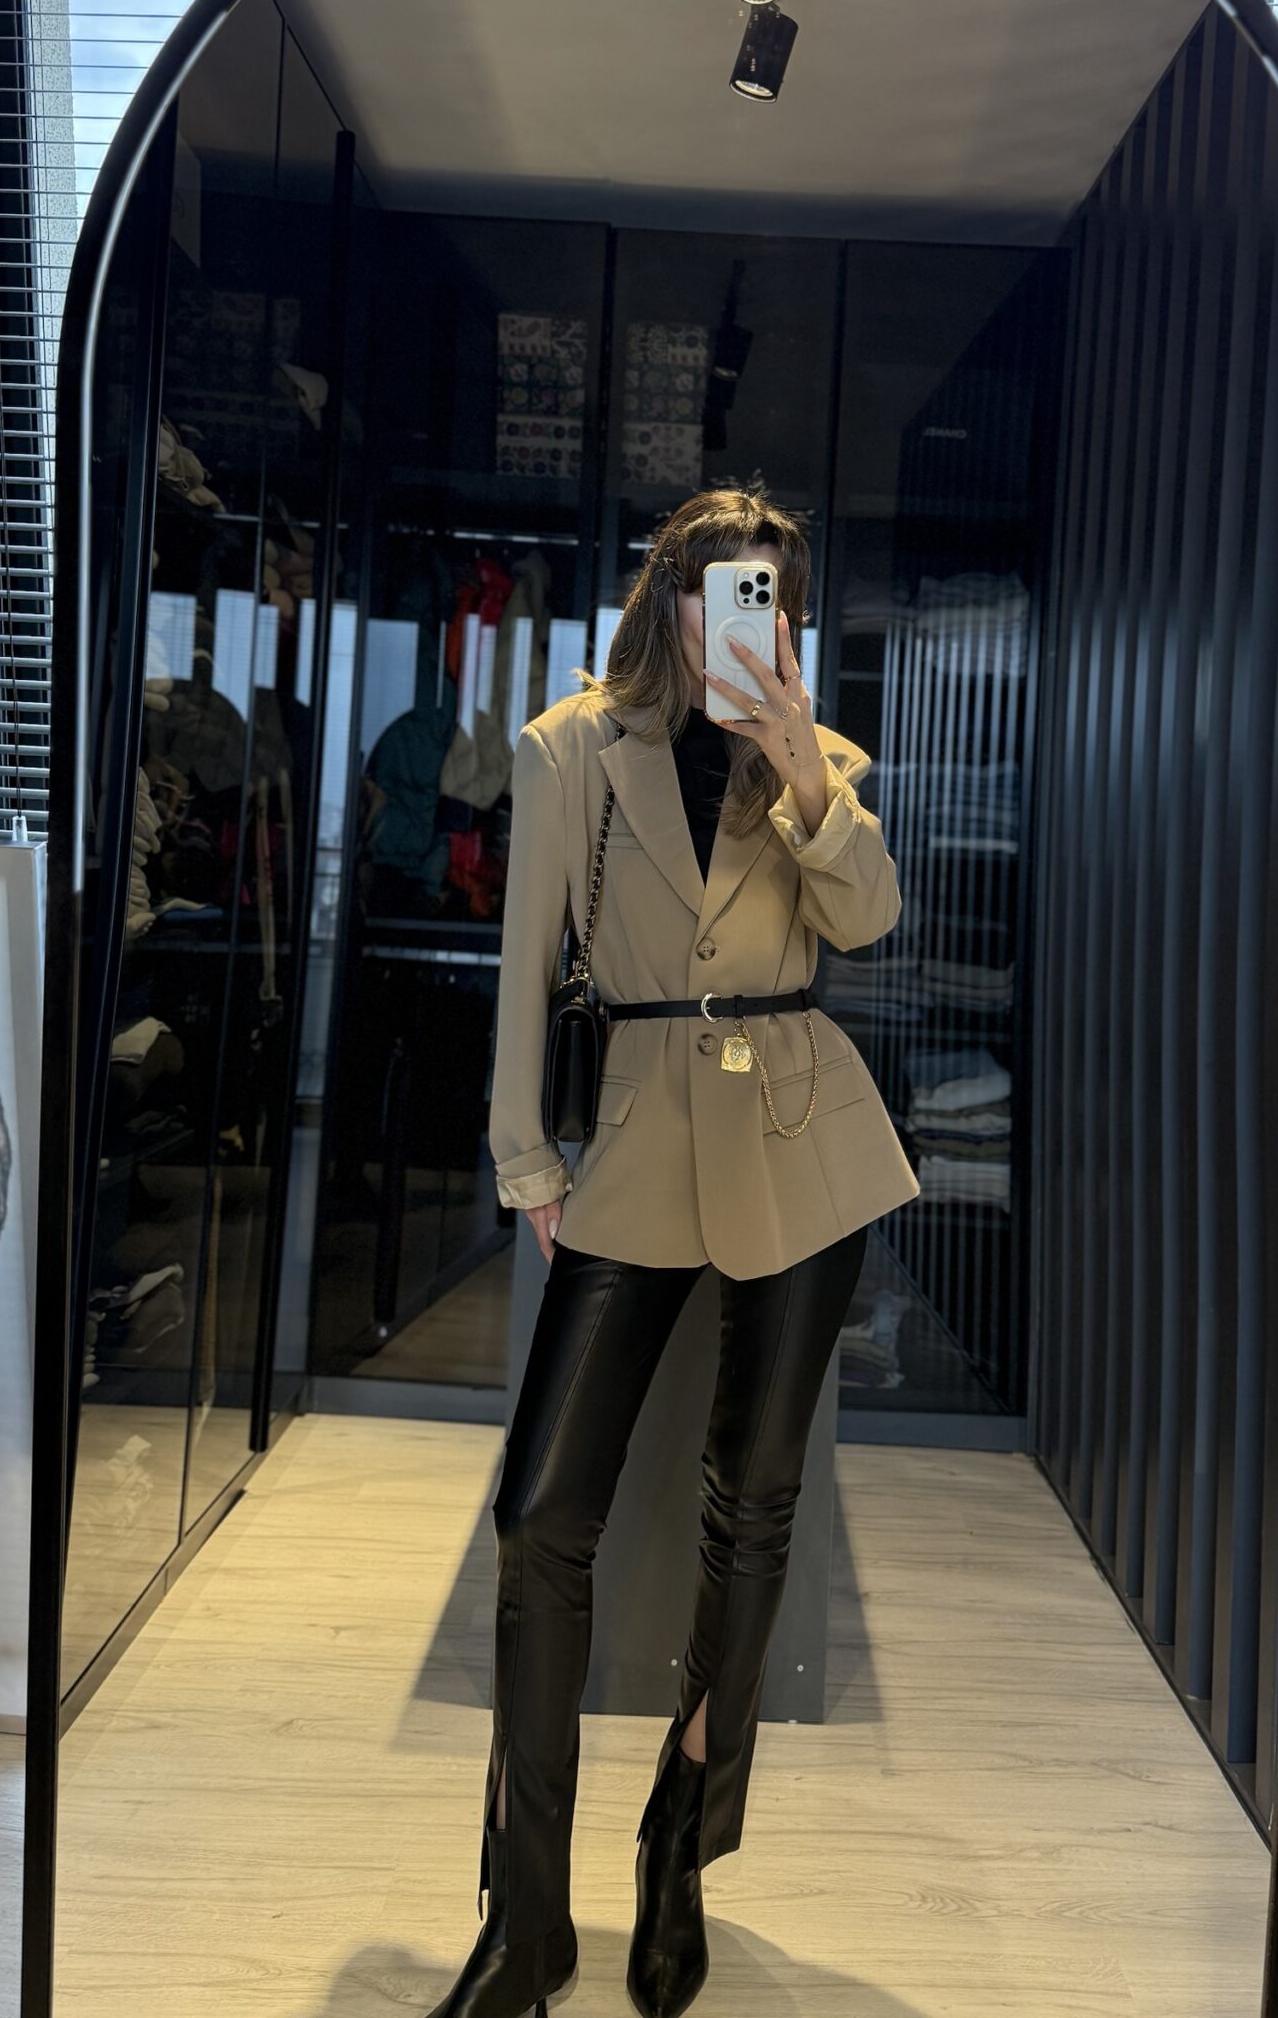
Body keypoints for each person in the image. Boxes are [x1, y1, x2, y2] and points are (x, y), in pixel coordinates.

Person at [426, 487, 920, 2018]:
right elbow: (527, 968)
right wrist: (525, 1152)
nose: (734, 623)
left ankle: (678, 1846)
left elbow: (870, 923)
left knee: (754, 1506)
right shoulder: (573, 748)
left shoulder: (821, 763)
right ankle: (526, 1919)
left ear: (790, 615)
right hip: (639, 1132)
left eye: (765, 596)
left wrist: (801, 766)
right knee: (541, 1519)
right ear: (668, 600)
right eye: (714, 593)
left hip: (797, 1130)